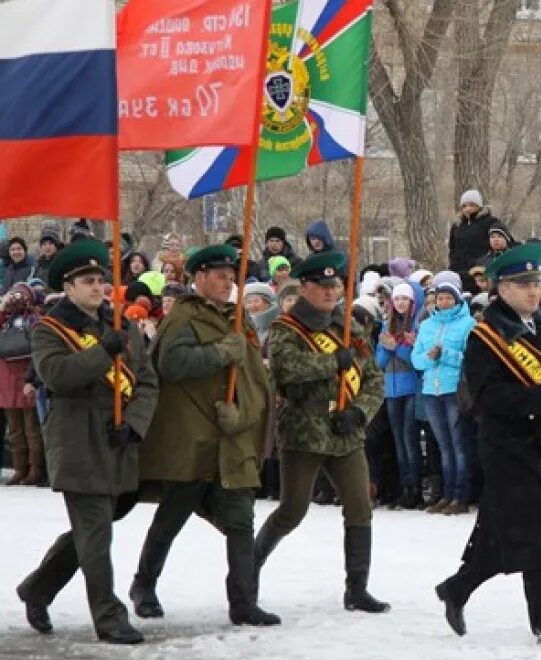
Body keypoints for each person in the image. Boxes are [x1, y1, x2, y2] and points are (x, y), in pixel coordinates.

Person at [433, 242, 541, 650]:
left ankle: (457, 588)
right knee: (538, 533)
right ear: (501, 289)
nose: (534, 291)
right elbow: (487, 400)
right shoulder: (485, 336)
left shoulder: (540, 327)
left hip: (539, 443)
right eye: (522, 284)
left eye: (536, 282)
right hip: (505, 448)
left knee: (504, 533)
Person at [128, 245, 280, 626]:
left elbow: (254, 380)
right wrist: (219, 353)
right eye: (219, 275)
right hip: (192, 439)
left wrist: (243, 415)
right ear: (198, 278)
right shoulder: (184, 315)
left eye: (231, 276)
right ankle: (143, 586)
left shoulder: (238, 318)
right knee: (171, 518)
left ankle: (244, 602)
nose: (227, 282)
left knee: (241, 523)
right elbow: (170, 364)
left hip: (232, 439)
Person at [16, 239, 159, 643]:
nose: (98, 288)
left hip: (119, 443)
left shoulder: (122, 326)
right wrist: (102, 353)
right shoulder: (49, 330)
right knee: (96, 532)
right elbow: (57, 375)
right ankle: (108, 616)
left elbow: (147, 381)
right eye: (88, 281)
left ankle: (38, 589)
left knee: (91, 529)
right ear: (69, 286)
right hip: (77, 444)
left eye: (101, 280)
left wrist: (134, 424)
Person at [254, 251, 390, 614]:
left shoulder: (348, 326)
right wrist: (332, 361)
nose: (331, 293)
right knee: (292, 510)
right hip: (306, 431)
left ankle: (357, 588)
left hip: (346, 432)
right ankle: (247, 572)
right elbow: (285, 370)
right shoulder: (287, 328)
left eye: (336, 286)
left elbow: (374, 377)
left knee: (360, 507)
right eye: (323, 286)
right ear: (306, 287)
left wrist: (360, 412)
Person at [411, 272, 476, 514]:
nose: (444, 302)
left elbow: (470, 359)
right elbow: (416, 359)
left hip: (454, 390)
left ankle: (461, 495)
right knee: (443, 446)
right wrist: (429, 358)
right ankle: (447, 495)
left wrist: (445, 354)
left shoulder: (468, 324)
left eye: (449, 298)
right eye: (440, 298)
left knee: (459, 445)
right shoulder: (427, 324)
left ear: (457, 300)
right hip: (431, 389)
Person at [375, 281, 424, 509]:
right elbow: (380, 362)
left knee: (409, 439)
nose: (401, 303)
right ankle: (404, 486)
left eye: (405, 299)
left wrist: (398, 347)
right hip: (392, 389)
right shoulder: (387, 324)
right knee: (398, 441)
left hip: (412, 388)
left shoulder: (416, 326)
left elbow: (417, 362)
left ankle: (415, 487)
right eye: (397, 299)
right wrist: (386, 347)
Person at [0, 283, 43, 485]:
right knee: (15, 429)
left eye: (21, 295)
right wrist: (3, 308)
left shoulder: (34, 318)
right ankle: (19, 468)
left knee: (31, 429)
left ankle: (35, 468)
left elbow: (39, 346)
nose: (17, 299)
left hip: (26, 376)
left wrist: (33, 379)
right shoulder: (5, 319)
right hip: (7, 379)